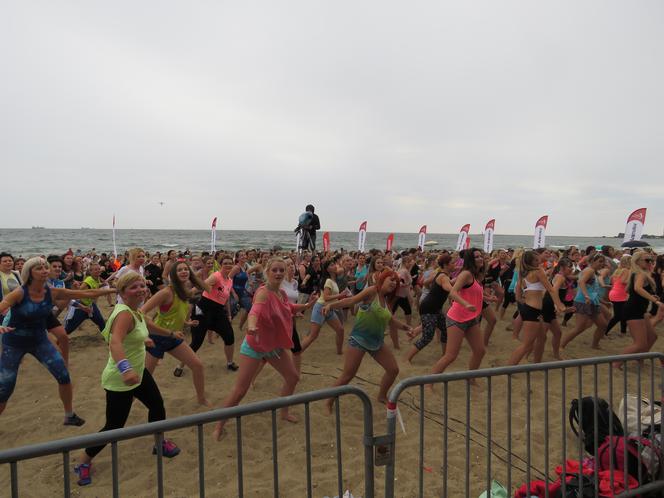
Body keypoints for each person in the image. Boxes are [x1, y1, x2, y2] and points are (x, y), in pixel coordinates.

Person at [74, 271, 181, 486]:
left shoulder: (135, 311)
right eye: (134, 287)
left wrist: (168, 335)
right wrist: (125, 369)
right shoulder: (123, 313)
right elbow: (115, 342)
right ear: (122, 292)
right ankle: (84, 461)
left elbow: (147, 324)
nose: (140, 290)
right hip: (121, 378)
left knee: (157, 405)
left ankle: (159, 444)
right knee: (114, 426)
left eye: (142, 285)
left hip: (138, 372)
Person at [0, 257, 114, 424]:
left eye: (45, 268)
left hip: (40, 341)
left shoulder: (50, 291)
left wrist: (113, 290)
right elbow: (2, 305)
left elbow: (85, 293)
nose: (45, 271)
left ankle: (69, 415)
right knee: (5, 390)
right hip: (14, 344)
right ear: (29, 273)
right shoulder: (20, 293)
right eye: (39, 268)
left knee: (63, 376)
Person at [212, 257, 316, 441]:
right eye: (274, 270)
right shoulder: (263, 292)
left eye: (281, 270)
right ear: (267, 272)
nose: (278, 273)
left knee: (293, 377)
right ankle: (219, 424)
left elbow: (288, 307)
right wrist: (251, 325)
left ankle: (284, 412)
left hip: (273, 346)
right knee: (240, 391)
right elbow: (255, 311)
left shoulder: (281, 293)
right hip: (255, 345)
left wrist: (306, 305)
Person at [322, 268, 409, 411]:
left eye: (396, 281)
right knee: (348, 375)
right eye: (391, 279)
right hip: (359, 339)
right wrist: (331, 305)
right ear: (383, 279)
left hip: (377, 342)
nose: (394, 283)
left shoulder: (386, 299)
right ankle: (328, 402)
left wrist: (406, 328)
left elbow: (391, 320)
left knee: (393, 370)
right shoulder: (372, 291)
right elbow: (351, 300)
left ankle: (381, 396)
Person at [141, 261, 211, 406]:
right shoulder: (166, 292)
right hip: (157, 338)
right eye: (180, 270)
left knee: (197, 365)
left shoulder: (184, 291)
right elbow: (141, 313)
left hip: (174, 337)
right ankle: (127, 403)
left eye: (186, 269)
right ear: (173, 274)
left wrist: (187, 323)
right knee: (145, 379)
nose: (184, 271)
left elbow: (174, 313)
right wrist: (147, 334)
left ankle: (201, 399)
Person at [429, 248, 487, 379]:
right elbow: (453, 292)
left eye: (480, 256)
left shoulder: (475, 275)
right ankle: (429, 382)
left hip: (470, 318)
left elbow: (473, 293)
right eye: (476, 257)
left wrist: (488, 298)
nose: (480, 258)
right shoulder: (466, 274)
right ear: (470, 260)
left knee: (480, 351)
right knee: (451, 356)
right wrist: (466, 304)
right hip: (457, 318)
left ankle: (470, 379)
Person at [506, 251, 566, 366]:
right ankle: (508, 369)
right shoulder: (538, 271)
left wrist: (528, 303)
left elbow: (518, 296)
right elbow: (551, 289)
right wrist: (559, 305)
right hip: (532, 311)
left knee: (542, 337)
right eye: (537, 260)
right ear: (532, 262)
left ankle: (536, 363)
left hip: (528, 308)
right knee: (526, 345)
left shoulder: (523, 274)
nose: (540, 261)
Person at [404, 253, 454, 363]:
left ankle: (445, 356)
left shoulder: (442, 274)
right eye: (452, 263)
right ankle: (407, 358)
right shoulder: (442, 276)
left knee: (445, 330)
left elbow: (426, 282)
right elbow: (448, 287)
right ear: (446, 265)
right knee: (428, 336)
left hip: (436, 309)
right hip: (428, 309)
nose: (454, 265)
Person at [194, 255, 239, 371]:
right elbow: (202, 286)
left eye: (230, 263)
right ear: (220, 265)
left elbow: (226, 299)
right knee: (197, 341)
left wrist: (229, 314)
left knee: (229, 336)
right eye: (225, 263)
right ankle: (181, 365)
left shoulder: (229, 281)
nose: (228, 265)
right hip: (204, 310)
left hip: (218, 311)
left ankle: (230, 363)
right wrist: (187, 293)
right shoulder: (216, 276)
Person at [614, 251, 661, 364]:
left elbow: (630, 290)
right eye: (647, 260)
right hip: (634, 310)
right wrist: (655, 301)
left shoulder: (638, 273)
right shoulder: (640, 274)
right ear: (637, 261)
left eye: (651, 260)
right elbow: (637, 288)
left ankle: (639, 358)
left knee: (652, 336)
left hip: (639, 310)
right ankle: (616, 363)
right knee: (640, 344)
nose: (650, 262)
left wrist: (649, 295)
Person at [300, 260, 349, 355]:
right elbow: (326, 298)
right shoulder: (328, 281)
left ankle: (339, 351)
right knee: (313, 336)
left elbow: (344, 270)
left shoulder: (333, 280)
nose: (335, 266)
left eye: (335, 264)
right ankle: (297, 352)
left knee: (340, 330)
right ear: (327, 269)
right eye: (332, 265)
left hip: (328, 309)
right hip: (321, 308)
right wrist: (340, 295)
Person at [560, 254, 608, 350]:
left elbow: (592, 289)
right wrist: (586, 296)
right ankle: (561, 345)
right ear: (592, 261)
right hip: (583, 301)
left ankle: (595, 344)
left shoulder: (593, 271)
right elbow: (581, 282)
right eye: (600, 261)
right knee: (579, 328)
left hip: (592, 302)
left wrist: (603, 301)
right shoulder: (589, 270)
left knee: (602, 324)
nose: (602, 264)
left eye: (603, 262)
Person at [64, 262, 107, 334]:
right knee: (69, 329)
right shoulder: (88, 281)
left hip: (90, 305)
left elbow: (94, 286)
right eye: (95, 269)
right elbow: (79, 292)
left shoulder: (96, 278)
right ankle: (58, 341)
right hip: (81, 307)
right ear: (91, 271)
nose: (98, 271)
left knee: (101, 323)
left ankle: (108, 338)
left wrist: (101, 285)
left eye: (99, 269)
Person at [604, 254, 632, 335]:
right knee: (618, 316)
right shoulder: (626, 270)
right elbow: (623, 281)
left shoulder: (618, 270)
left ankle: (623, 331)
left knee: (623, 314)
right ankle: (604, 331)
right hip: (619, 294)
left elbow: (613, 282)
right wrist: (632, 281)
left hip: (614, 293)